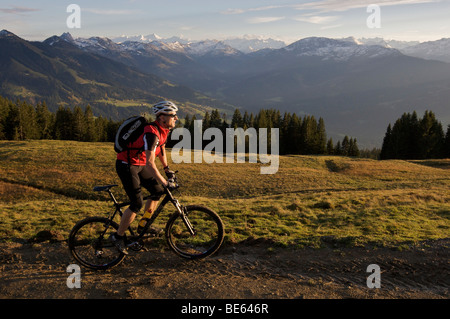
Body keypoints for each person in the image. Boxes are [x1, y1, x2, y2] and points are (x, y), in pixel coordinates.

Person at [110, 101, 179, 254]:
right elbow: (149, 163)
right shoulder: (151, 132)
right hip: (126, 165)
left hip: (139, 164)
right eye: (173, 116)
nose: (176, 118)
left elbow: (161, 149)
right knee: (136, 203)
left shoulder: (162, 130)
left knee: (157, 191)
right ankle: (118, 237)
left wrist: (167, 169)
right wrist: (164, 181)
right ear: (162, 117)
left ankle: (143, 224)